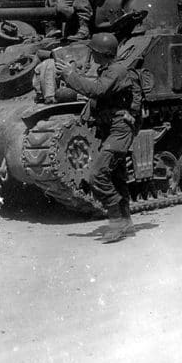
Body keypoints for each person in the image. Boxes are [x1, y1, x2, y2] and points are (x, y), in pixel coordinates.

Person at [55, 33, 140, 243]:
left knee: (97, 174)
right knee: (116, 176)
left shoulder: (117, 70)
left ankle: (116, 222)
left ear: (101, 53)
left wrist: (70, 75)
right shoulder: (107, 70)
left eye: (93, 52)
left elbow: (97, 90)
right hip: (109, 127)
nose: (91, 55)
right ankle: (126, 220)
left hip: (119, 129)